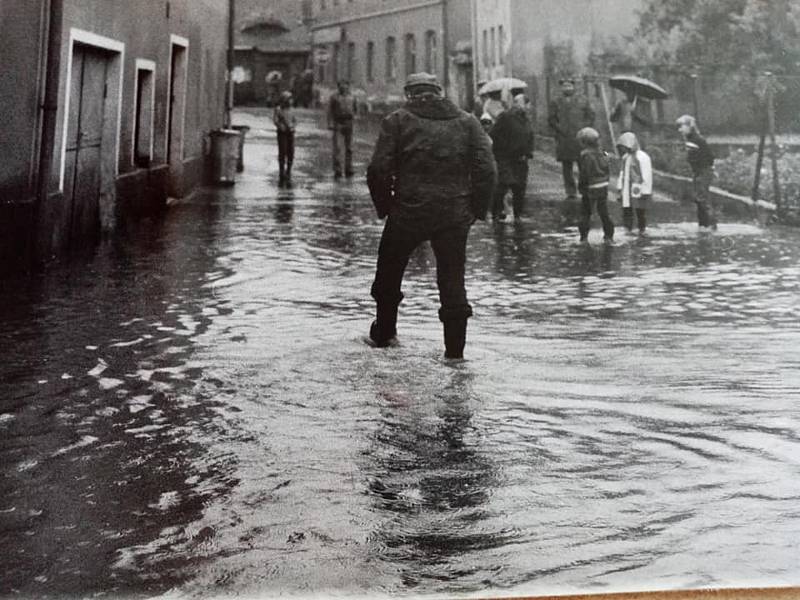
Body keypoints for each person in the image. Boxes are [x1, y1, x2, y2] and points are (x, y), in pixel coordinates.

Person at [366, 72, 497, 359]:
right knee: (452, 280)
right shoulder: (468, 122)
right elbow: (487, 169)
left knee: (389, 274)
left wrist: (385, 207)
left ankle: (385, 337)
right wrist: (476, 210)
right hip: (453, 213)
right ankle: (455, 354)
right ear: (440, 92)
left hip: (407, 211)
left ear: (409, 95)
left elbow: (378, 170)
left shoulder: (397, 121)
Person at [548, 77, 595, 201]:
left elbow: (590, 116)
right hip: (564, 139)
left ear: (574, 87)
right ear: (561, 88)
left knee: (583, 165)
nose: (567, 88)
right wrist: (559, 129)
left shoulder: (583, 100)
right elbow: (551, 119)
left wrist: (585, 129)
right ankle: (570, 191)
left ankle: (584, 189)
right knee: (566, 166)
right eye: (565, 86)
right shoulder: (555, 102)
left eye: (569, 86)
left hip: (580, 139)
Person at [489, 93, 534, 221]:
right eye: (526, 104)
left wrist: (528, 152)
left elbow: (530, 136)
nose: (529, 107)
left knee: (520, 189)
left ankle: (518, 215)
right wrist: (504, 148)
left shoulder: (526, 119)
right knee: (504, 185)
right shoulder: (505, 117)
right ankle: (495, 213)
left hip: (521, 159)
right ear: (518, 104)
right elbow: (493, 133)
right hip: (506, 159)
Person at [676, 114, 716, 230]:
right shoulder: (690, 140)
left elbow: (710, 156)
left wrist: (706, 169)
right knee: (699, 199)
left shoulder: (697, 140)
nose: (680, 130)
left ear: (689, 126)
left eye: (682, 126)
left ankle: (710, 225)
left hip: (703, 171)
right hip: (698, 172)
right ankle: (703, 225)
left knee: (702, 199)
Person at [576, 127, 614, 242]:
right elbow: (608, 162)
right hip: (602, 185)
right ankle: (609, 235)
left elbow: (585, 173)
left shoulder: (585, 155)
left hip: (590, 187)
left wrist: (581, 187)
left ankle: (583, 237)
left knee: (586, 213)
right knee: (603, 212)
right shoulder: (603, 153)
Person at [615, 132, 653, 234]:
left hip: (638, 189)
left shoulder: (642, 157)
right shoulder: (625, 158)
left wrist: (646, 190)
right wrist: (620, 187)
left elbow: (647, 174)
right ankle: (628, 228)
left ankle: (642, 229)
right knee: (627, 209)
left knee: (640, 210)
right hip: (627, 189)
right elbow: (622, 173)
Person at [327, 80, 357, 178]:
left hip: (349, 123)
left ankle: (349, 168)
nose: (344, 87)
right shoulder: (334, 97)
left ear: (348, 86)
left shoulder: (352, 97)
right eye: (341, 85)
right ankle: (338, 170)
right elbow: (330, 111)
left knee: (349, 148)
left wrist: (354, 120)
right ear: (339, 86)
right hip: (338, 123)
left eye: (346, 85)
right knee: (338, 148)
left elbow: (355, 110)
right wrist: (330, 123)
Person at [272, 90, 296, 188]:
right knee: (283, 151)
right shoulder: (278, 109)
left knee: (291, 152)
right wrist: (280, 126)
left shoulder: (292, 110)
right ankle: (281, 171)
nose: (290, 101)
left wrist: (293, 126)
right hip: (282, 133)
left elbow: (295, 120)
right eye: (288, 99)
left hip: (290, 132)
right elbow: (275, 120)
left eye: (291, 99)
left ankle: (288, 170)